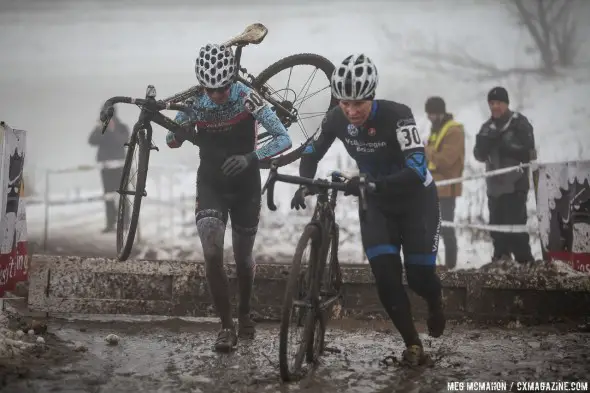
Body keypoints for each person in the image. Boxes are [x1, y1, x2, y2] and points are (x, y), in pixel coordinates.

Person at [291, 54, 444, 367]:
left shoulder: (398, 115)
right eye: (345, 103)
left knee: (418, 278)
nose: (351, 111)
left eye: (358, 103)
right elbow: (312, 150)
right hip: (375, 201)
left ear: (371, 96)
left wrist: (375, 184)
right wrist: (305, 182)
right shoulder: (336, 118)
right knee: (386, 279)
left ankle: (435, 301)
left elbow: (417, 168)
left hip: (416, 200)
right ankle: (412, 344)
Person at [167, 43, 292, 352]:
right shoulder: (195, 102)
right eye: (210, 89)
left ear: (231, 81)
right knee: (211, 253)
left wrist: (252, 157)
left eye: (222, 88)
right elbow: (171, 139)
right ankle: (226, 327)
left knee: (243, 258)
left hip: (246, 184)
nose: (217, 95)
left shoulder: (247, 97)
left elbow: (283, 138)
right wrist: (179, 131)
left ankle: (245, 312)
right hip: (211, 182)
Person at [473, 87, 536, 263]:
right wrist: (483, 146)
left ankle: (527, 267)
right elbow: (478, 155)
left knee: (515, 232)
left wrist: (507, 145)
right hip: (494, 188)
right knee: (498, 234)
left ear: (506, 103)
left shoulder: (519, 123)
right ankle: (501, 266)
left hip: (515, 186)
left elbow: (530, 152)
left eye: (498, 103)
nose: (495, 107)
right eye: (492, 103)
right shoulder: (487, 127)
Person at [424, 97, 465, 269]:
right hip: (434, 185)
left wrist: (427, 151)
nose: (431, 117)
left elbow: (446, 160)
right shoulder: (437, 129)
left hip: (447, 187)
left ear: (441, 112)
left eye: (433, 113)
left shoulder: (453, 130)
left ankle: (451, 265)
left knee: (446, 228)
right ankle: (430, 264)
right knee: (430, 228)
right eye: (429, 114)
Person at [88, 107, 130, 233]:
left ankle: (125, 222)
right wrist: (100, 129)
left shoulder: (122, 127)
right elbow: (91, 141)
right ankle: (110, 223)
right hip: (105, 167)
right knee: (108, 196)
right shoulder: (101, 128)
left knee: (122, 194)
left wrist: (111, 130)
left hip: (120, 166)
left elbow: (123, 141)